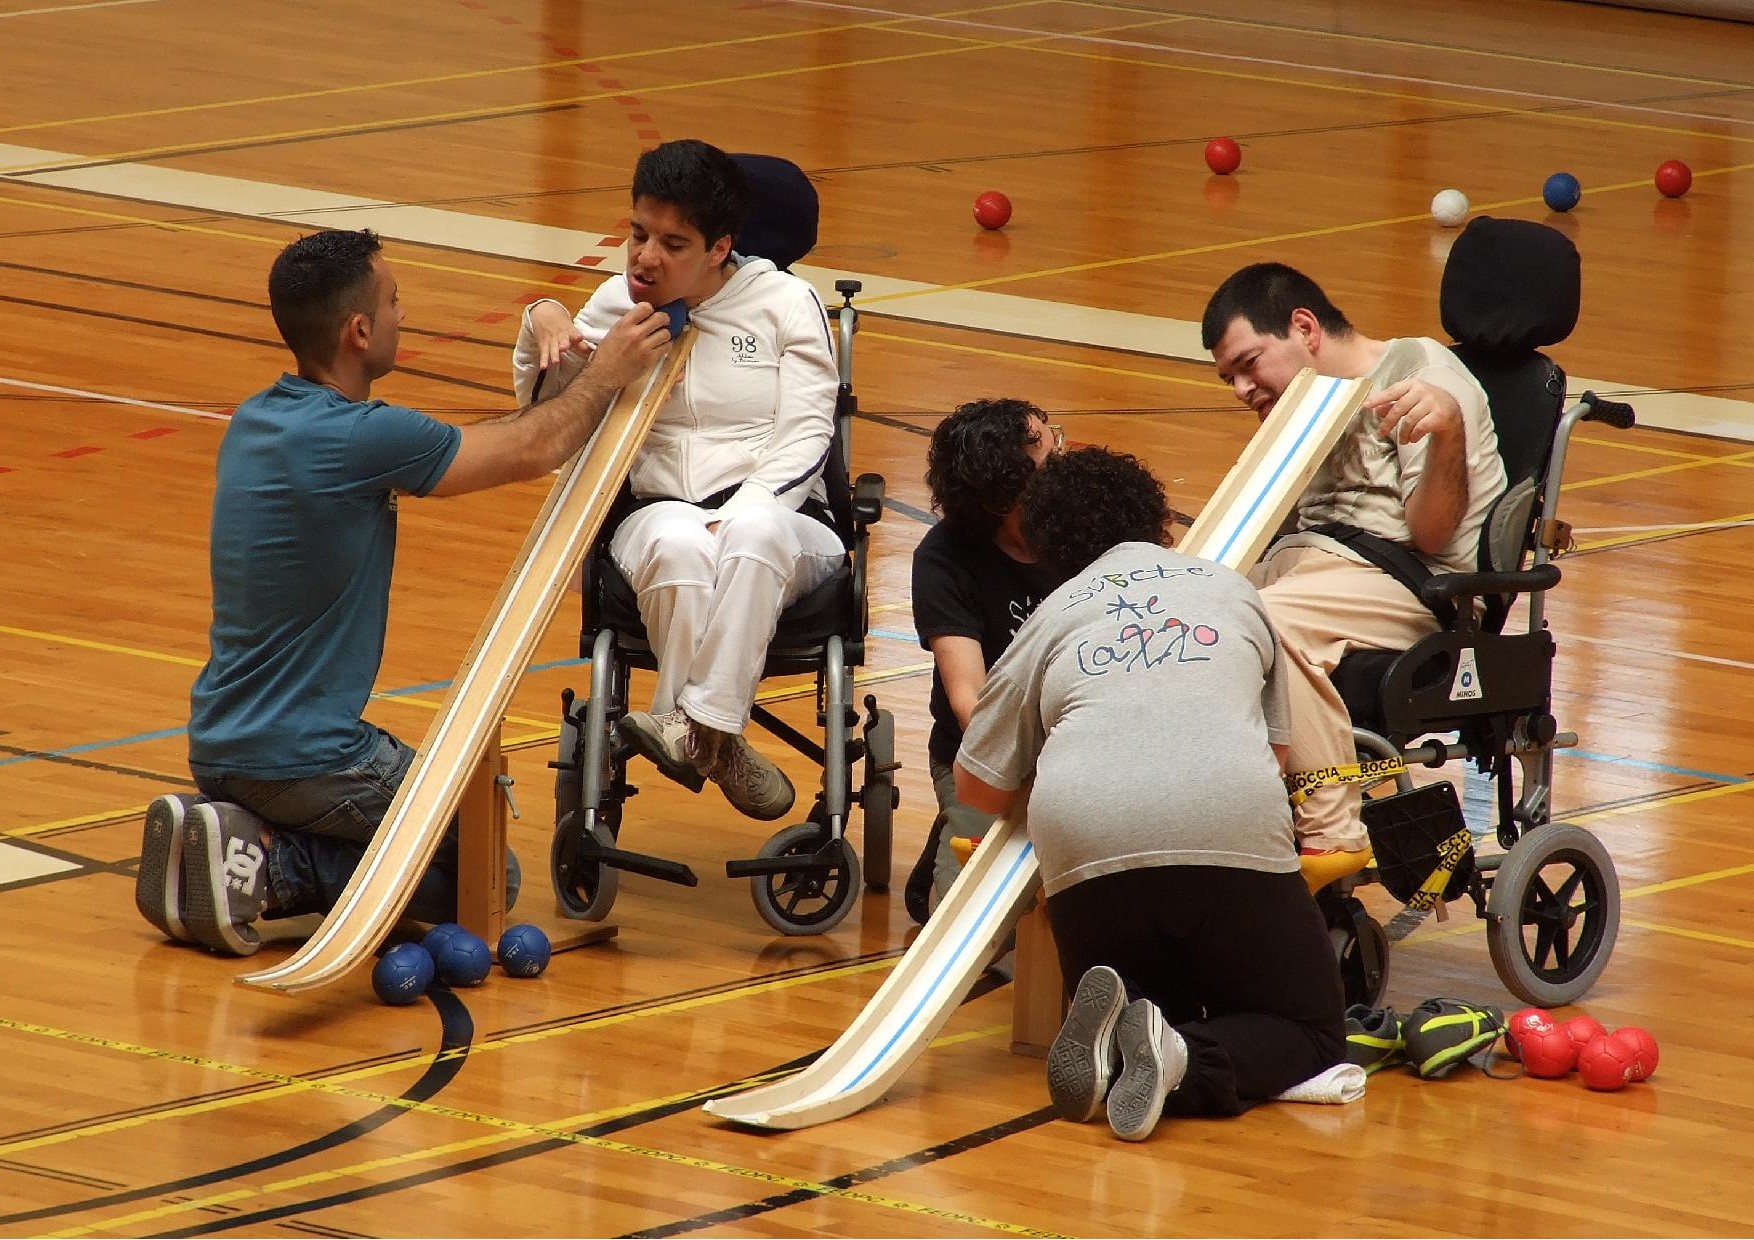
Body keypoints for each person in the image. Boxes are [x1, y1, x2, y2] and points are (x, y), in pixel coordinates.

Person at [135, 227, 674, 957]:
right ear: (358, 331)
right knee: (485, 870)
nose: (403, 316)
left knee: (451, 844)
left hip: (221, 742)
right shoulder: (361, 439)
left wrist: (546, 310)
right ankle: (272, 867)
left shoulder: (258, 419)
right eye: (393, 303)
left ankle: (231, 837)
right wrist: (605, 373)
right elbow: (534, 446)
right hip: (311, 758)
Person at [954, 447, 1344, 1142]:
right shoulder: (1232, 590)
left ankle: (1132, 1029)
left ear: (1045, 543)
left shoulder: (1049, 618)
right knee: (1310, 1032)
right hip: (1225, 825)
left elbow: (979, 787)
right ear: (1159, 518)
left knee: (1150, 999)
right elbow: (1276, 752)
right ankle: (1181, 1056)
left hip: (1088, 845)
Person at [512, 139, 843, 822]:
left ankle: (689, 724)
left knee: (747, 530)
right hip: (659, 509)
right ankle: (714, 741)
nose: (644, 258)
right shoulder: (612, 305)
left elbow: (809, 430)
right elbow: (548, 424)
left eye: (672, 242)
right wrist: (540, 319)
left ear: (720, 248)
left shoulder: (786, 303)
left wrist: (747, 506)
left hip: (783, 518)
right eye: (637, 234)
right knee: (678, 544)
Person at [1200, 263, 1506, 866]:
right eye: (1229, 377)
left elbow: (1434, 534)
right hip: (1309, 566)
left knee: (1260, 621)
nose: (1241, 389)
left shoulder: (1426, 381)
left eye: (1248, 363)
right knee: (1183, 615)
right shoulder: (1302, 404)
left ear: (1304, 327)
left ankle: (1333, 829)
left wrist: (1445, 432)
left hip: (1408, 580)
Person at [904, 398, 1065, 925]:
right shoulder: (943, 556)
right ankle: (956, 828)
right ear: (1008, 489)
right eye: (1045, 444)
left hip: (1080, 745)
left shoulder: (1080, 528)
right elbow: (971, 702)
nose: (1061, 448)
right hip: (988, 756)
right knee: (972, 927)